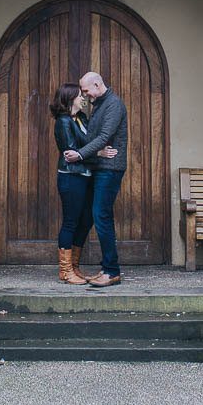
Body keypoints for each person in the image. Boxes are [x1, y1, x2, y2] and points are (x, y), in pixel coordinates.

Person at [63, 71, 127, 287]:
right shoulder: (99, 104)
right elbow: (93, 137)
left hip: (110, 169)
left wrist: (80, 154)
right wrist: (95, 154)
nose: (84, 94)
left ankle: (112, 271)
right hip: (98, 167)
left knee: (101, 215)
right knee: (94, 215)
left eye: (86, 90)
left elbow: (103, 137)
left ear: (98, 84)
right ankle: (106, 268)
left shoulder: (114, 104)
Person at [51, 83, 118, 286]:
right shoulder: (63, 122)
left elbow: (85, 147)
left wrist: (91, 151)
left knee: (86, 219)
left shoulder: (80, 118)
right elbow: (71, 154)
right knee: (71, 221)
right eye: (80, 95)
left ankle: (75, 266)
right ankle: (65, 271)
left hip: (86, 175)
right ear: (70, 98)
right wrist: (97, 153)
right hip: (71, 177)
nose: (84, 98)